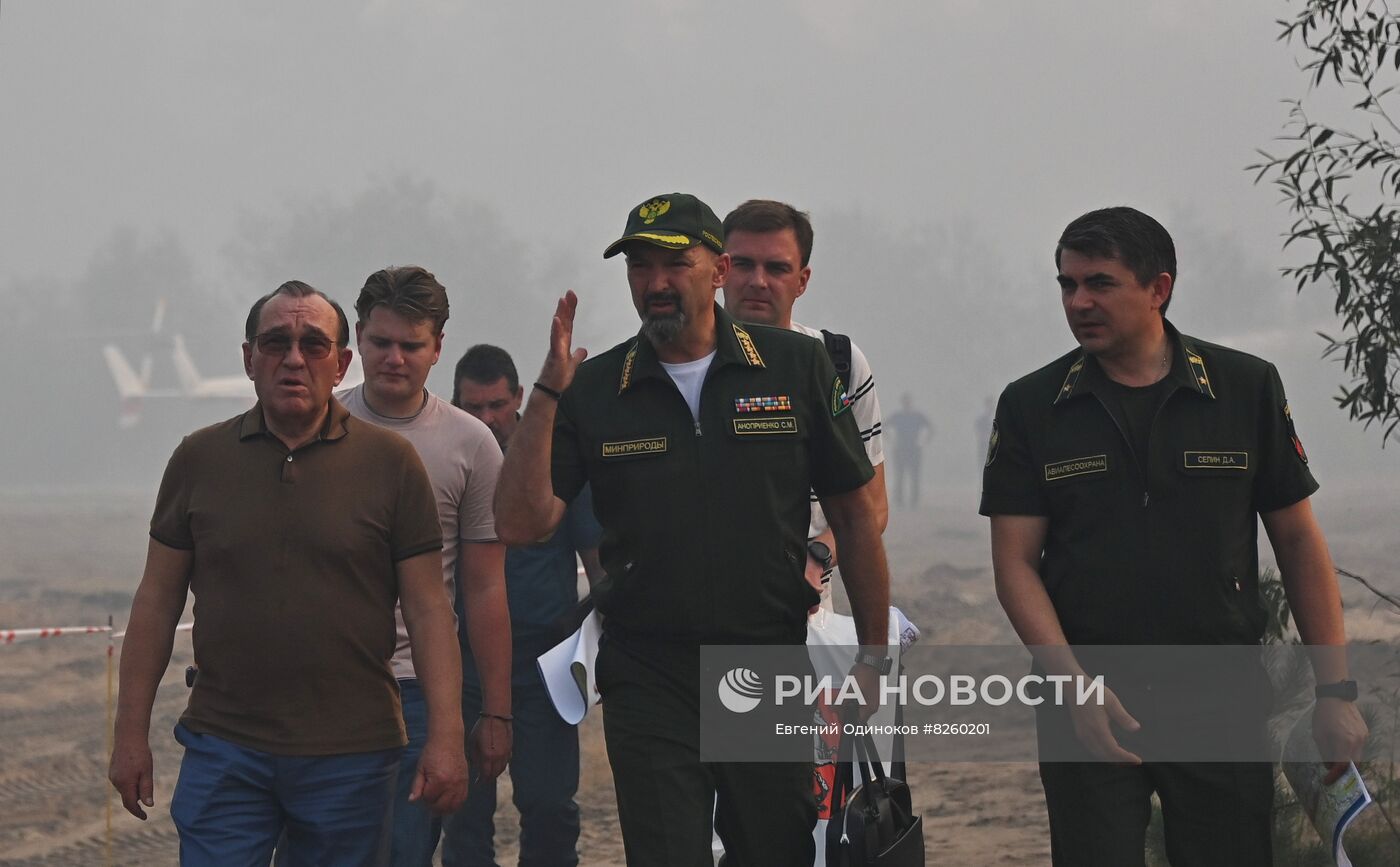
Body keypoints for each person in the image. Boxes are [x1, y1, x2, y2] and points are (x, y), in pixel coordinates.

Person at [494, 192, 893, 867]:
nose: (654, 283)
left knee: (776, 852)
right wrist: (547, 392)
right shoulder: (595, 387)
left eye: (674, 264)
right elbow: (520, 520)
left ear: (717, 269)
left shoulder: (795, 368)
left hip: (764, 660)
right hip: (648, 673)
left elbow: (857, 517)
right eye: (640, 267)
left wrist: (873, 658)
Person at [980, 207, 1368, 866]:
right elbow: (1016, 563)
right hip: (1090, 698)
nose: (1079, 302)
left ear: (1159, 288)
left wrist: (1334, 693)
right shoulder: (1031, 405)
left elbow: (1298, 542)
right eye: (1066, 284)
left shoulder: (1244, 388)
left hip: (1219, 695)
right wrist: (1073, 684)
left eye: (1099, 283)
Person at [108, 280, 467, 866]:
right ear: (248, 358)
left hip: (352, 755)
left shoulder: (391, 465)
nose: (294, 359)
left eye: (314, 345)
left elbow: (430, 611)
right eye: (275, 343)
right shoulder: (199, 460)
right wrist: (129, 736)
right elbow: (155, 601)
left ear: (342, 362)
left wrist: (446, 738)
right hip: (225, 747)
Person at [336, 266, 512, 867]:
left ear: (438, 348)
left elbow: (485, 588)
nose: (394, 358)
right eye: (380, 342)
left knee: (404, 852)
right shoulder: (315, 426)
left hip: (419, 690)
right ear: (358, 338)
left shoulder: (471, 445)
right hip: (320, 687)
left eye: (411, 345)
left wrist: (494, 709)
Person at [443, 344, 604, 867]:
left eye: (496, 405)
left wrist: (608, 636)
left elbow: (597, 560)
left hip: (544, 664)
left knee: (550, 805)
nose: (488, 419)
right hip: (462, 665)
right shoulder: (445, 469)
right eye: (473, 408)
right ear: (455, 405)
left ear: (517, 399)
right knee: (463, 810)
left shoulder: (552, 463)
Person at [720, 198, 888, 602]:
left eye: (777, 268)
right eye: (743, 264)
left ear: (803, 279)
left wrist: (817, 557)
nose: (758, 281)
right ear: (718, 271)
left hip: (809, 610)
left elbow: (873, 509)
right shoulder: (684, 364)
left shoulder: (840, 364)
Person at [884, 393, 932, 509]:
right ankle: (900, 500)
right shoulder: (899, 416)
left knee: (914, 476)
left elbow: (931, 428)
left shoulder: (915, 416)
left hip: (912, 448)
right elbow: (883, 426)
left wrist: (924, 441)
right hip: (902, 448)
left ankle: (913, 500)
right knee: (900, 475)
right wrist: (890, 440)